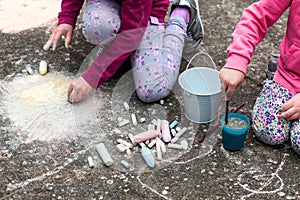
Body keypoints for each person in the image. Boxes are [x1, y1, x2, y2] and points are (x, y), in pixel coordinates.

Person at [43, 0, 204, 103]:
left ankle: (181, 14)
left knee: (153, 90)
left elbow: (131, 35)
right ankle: (120, 54)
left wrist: (92, 77)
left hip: (145, 15)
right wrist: (67, 18)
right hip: (111, 3)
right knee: (98, 27)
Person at [220, 0, 300, 155]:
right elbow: (256, 17)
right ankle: (274, 77)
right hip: (289, 75)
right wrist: (237, 60)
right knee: (268, 131)